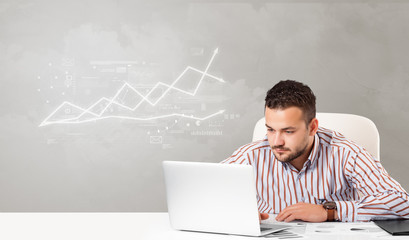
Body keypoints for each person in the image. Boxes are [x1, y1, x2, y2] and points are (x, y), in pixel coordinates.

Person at [222, 80, 409, 222]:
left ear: (312, 127)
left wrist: (329, 211)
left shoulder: (347, 153)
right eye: (271, 129)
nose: (276, 141)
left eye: (288, 131)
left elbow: (402, 203)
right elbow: (201, 194)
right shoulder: (251, 155)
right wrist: (235, 210)